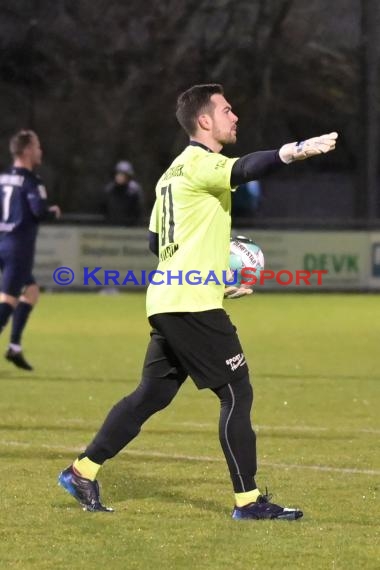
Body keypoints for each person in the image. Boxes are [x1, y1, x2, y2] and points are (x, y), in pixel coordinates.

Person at [58, 84, 337, 519]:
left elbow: (157, 242)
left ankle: (82, 470)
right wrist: (292, 151)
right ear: (203, 121)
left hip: (172, 296)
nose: (235, 116)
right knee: (236, 393)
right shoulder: (202, 164)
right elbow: (245, 169)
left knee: (151, 395)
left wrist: (210, 276)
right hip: (190, 305)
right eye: (227, 110)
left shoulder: (169, 174)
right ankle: (248, 503)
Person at [0, 129, 61, 370]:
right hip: (17, 247)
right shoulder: (31, 180)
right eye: (36, 146)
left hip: (2, 241)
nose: (40, 151)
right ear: (26, 150)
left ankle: (14, 347)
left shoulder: (3, 178)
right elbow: (38, 211)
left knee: (31, 290)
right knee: (8, 301)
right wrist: (52, 212)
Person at [103, 160, 144, 225]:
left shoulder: (134, 191)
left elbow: (138, 211)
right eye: (118, 174)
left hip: (130, 226)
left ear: (128, 176)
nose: (120, 177)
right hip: (112, 225)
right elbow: (104, 209)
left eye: (123, 175)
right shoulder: (110, 190)